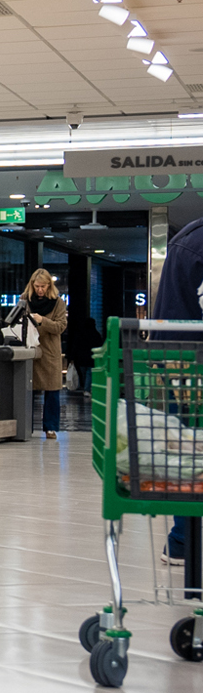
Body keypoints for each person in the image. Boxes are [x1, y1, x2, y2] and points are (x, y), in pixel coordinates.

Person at [157, 218, 203, 563]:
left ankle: (183, 540)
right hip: (188, 369)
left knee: (190, 454)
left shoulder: (187, 241)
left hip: (184, 369)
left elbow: (169, 325)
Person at [23, 268, 67, 439]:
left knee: (52, 391)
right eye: (37, 286)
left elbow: (60, 326)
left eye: (43, 286)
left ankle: (51, 427)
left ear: (49, 285)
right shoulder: (24, 300)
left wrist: (43, 321)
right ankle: (25, 427)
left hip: (49, 352)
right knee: (27, 390)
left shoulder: (58, 303)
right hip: (30, 350)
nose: (40, 290)